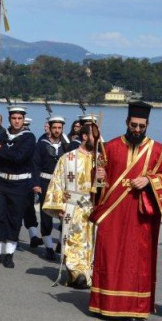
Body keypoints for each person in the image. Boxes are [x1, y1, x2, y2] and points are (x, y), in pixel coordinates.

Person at [89, 101, 162, 321]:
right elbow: (99, 183)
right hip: (113, 213)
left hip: (140, 215)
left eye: (141, 126)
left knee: (136, 261)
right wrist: (97, 176)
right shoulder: (111, 147)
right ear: (127, 122)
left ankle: (134, 308)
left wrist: (149, 179)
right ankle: (103, 303)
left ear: (147, 125)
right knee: (109, 256)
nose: (137, 130)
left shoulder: (158, 150)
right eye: (133, 125)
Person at [42, 115, 101, 289]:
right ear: (84, 136)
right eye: (94, 136)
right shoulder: (67, 158)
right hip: (72, 206)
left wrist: (101, 178)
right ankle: (77, 274)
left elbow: (106, 186)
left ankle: (87, 274)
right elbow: (57, 182)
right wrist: (59, 205)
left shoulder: (100, 160)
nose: (97, 139)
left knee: (90, 242)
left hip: (92, 207)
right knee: (72, 241)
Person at [0, 105, 35, 268]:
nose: (16, 121)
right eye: (14, 118)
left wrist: (0, 148)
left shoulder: (29, 138)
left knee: (14, 219)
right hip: (0, 183)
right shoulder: (0, 135)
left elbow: (19, 157)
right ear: (9, 119)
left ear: (23, 120)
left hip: (19, 184)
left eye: (19, 118)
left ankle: (8, 254)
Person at [32, 115, 75, 260]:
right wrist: (36, 184)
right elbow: (35, 165)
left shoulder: (66, 145)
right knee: (46, 216)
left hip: (62, 184)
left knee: (65, 214)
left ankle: (62, 246)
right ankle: (49, 247)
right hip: (45, 182)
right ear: (49, 128)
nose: (57, 130)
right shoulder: (41, 144)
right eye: (54, 127)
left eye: (59, 128)